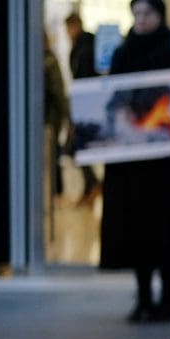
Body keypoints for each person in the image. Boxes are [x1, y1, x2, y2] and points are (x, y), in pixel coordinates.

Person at [98, 0, 170, 322]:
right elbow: (110, 101)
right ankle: (143, 297)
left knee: (168, 229)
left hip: (167, 163)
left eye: (147, 12)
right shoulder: (122, 53)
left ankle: (168, 299)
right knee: (136, 229)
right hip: (132, 164)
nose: (141, 19)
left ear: (160, 15)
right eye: (137, 13)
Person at [64, 11, 101, 205]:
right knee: (79, 148)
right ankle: (91, 185)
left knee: (77, 147)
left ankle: (93, 184)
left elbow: (82, 80)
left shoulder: (83, 49)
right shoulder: (86, 46)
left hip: (85, 105)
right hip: (87, 104)